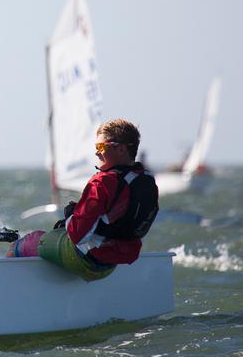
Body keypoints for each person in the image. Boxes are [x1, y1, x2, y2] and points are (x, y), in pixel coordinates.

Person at [9, 119, 158, 281]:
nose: (97, 153)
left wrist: (71, 216)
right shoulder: (146, 179)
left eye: (101, 147)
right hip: (112, 264)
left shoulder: (102, 182)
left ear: (121, 149)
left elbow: (77, 235)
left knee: (27, 242)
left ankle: (6, 292)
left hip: (85, 260)